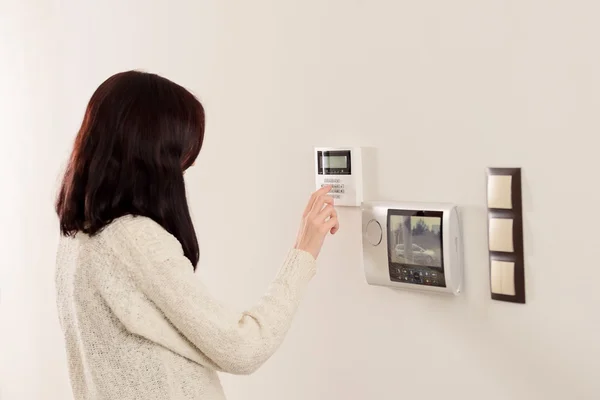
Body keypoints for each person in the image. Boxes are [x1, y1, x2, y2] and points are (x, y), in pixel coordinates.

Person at [54, 70, 339, 400]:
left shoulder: (77, 238)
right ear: (153, 154)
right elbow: (243, 348)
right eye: (179, 155)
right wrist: (303, 253)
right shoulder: (133, 240)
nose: (184, 167)